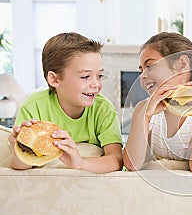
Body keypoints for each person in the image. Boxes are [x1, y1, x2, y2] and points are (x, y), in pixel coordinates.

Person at [9, 32, 123, 173]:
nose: (96, 84)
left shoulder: (103, 109)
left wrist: (80, 162)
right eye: (85, 76)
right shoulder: (34, 106)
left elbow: (117, 160)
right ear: (55, 79)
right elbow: (20, 167)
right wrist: (19, 150)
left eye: (99, 76)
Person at [123, 32, 192, 173]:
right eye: (141, 70)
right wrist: (145, 116)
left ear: (182, 64)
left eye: (149, 66)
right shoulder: (143, 108)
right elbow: (131, 164)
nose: (142, 76)